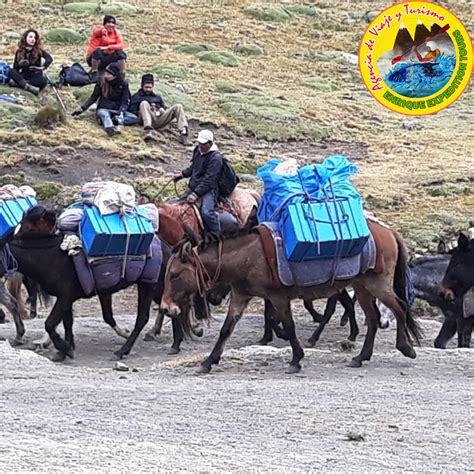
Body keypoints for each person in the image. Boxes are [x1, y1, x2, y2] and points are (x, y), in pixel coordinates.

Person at [173, 130, 223, 234]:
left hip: (209, 190)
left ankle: (217, 235)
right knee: (177, 205)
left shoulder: (216, 158)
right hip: (194, 186)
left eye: (203, 144)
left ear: (210, 143)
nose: (200, 145)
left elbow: (209, 179)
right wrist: (182, 174)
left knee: (207, 213)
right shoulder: (198, 150)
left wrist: (196, 194)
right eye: (199, 143)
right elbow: (193, 167)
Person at [72, 63, 136, 137]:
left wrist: (121, 112)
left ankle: (113, 120)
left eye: (109, 74)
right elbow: (93, 97)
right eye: (106, 73)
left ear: (115, 75)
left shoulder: (124, 84)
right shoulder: (101, 82)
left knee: (133, 118)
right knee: (104, 114)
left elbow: (125, 100)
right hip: (104, 108)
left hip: (117, 110)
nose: (106, 76)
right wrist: (82, 108)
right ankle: (110, 128)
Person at [128, 74, 189, 144]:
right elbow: (132, 112)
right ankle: (148, 130)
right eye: (146, 87)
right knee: (144, 103)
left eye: (150, 87)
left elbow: (163, 107)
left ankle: (183, 133)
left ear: (153, 86)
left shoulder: (157, 97)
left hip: (158, 118)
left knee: (178, 106)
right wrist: (146, 110)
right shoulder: (136, 97)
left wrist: (161, 110)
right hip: (144, 119)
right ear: (142, 86)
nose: (148, 89)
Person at [8, 29, 53, 95]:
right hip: (24, 75)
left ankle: (19, 84)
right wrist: (20, 64)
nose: (33, 39)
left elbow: (49, 59)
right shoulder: (19, 51)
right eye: (30, 37)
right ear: (25, 38)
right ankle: (27, 86)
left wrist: (42, 67)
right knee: (10, 71)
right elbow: (15, 68)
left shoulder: (38, 51)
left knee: (43, 81)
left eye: (34, 38)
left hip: (35, 76)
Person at [86, 15, 127, 80]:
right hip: (93, 59)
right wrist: (102, 31)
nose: (111, 25)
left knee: (121, 53)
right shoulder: (99, 29)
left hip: (108, 57)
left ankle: (122, 75)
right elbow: (97, 31)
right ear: (104, 24)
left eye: (113, 23)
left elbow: (121, 45)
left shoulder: (116, 33)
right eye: (108, 23)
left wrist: (108, 48)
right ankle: (94, 73)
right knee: (97, 51)